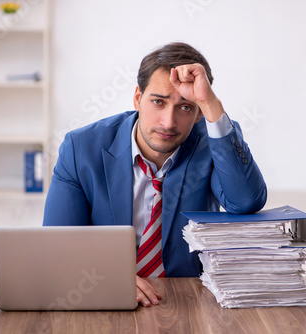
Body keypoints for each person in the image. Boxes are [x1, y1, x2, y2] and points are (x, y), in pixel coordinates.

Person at [43, 42, 267, 307]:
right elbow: (58, 244)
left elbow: (245, 201)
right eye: (158, 102)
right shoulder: (81, 148)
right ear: (137, 98)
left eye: (185, 107)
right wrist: (111, 276)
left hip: (189, 299)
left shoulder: (213, 142)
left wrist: (210, 103)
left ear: (198, 113)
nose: (168, 122)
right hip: (104, 297)